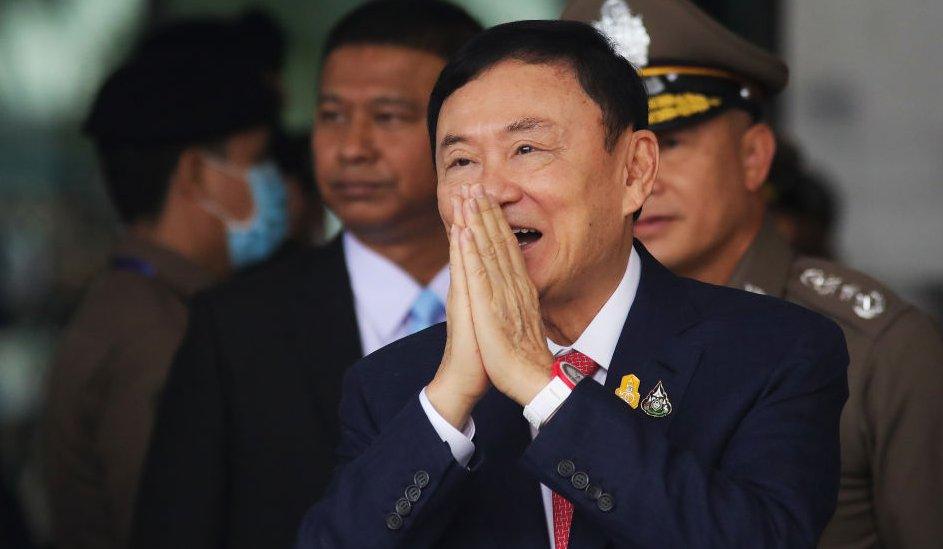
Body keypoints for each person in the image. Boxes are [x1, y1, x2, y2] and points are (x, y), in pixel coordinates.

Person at [297, 20, 849, 548]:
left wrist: (543, 385)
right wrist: (452, 397)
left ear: (634, 172)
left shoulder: (775, 353)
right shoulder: (395, 389)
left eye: (527, 150)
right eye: (462, 161)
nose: (492, 192)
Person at [563, 0, 943, 547]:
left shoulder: (878, 350)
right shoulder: (558, 338)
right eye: (609, 153)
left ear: (754, 157)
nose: (643, 181)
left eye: (671, 144)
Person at [129, 3, 483, 548]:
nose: (352, 148)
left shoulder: (543, 309)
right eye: (332, 115)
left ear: (466, 131)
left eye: (388, 117)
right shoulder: (235, 326)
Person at [41, 35, 283, 549]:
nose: (276, 184)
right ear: (196, 172)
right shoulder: (162, 335)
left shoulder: (140, 301)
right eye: (258, 161)